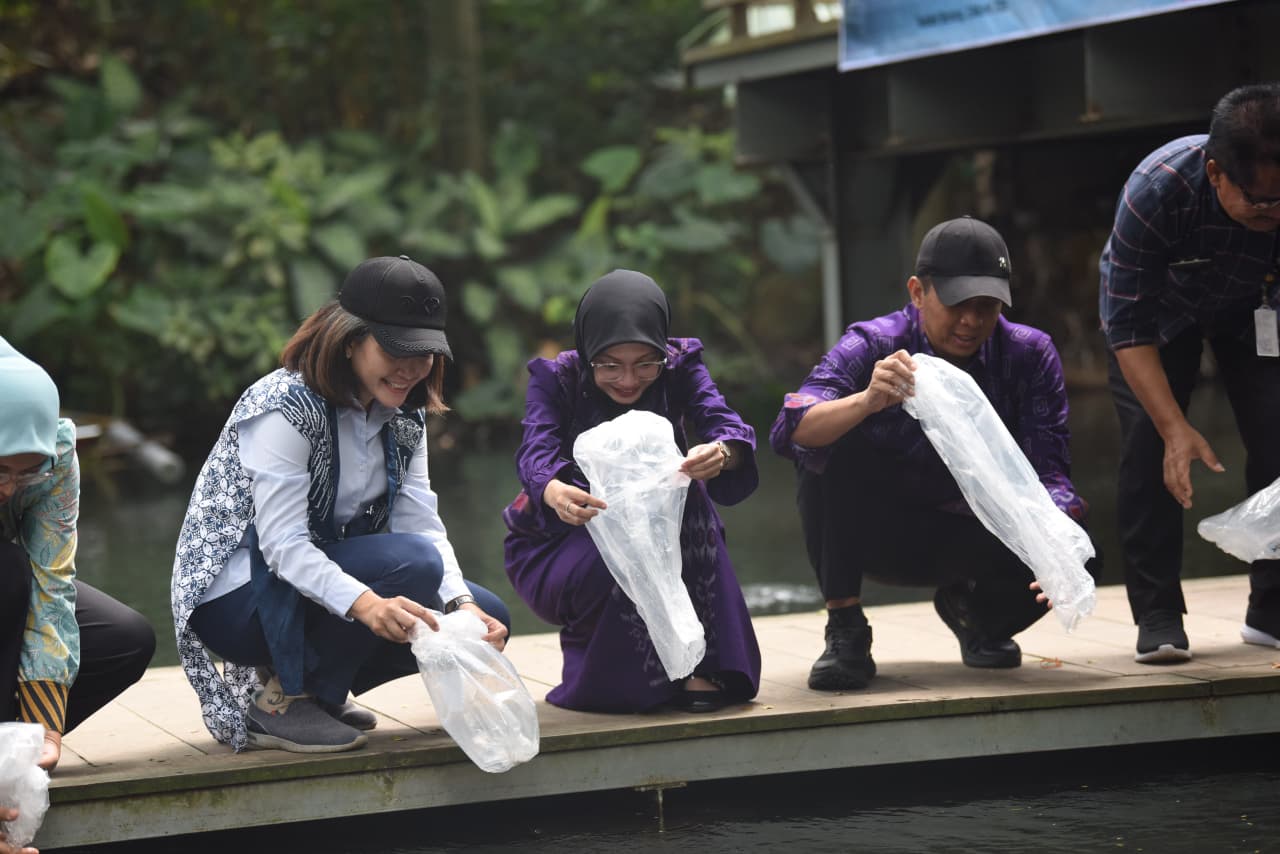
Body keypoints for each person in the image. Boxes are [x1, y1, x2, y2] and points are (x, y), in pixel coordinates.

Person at [171, 255, 511, 754]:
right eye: (397, 350)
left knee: (484, 616)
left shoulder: (403, 416)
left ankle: (321, 691)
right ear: (351, 340)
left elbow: (421, 522)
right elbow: (284, 546)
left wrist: (462, 604)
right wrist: (369, 606)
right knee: (410, 566)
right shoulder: (286, 406)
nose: (412, 369)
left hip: (308, 579)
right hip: (235, 598)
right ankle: (284, 701)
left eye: (426, 354)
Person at [770, 217, 1092, 691]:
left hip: (971, 533)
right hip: (877, 534)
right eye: (958, 305)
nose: (971, 321)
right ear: (918, 292)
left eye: (986, 307)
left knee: (1081, 553)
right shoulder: (874, 344)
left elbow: (1050, 473)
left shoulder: (1029, 353)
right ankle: (846, 630)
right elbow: (789, 431)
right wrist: (866, 401)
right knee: (827, 452)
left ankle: (976, 617)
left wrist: (1057, 547)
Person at [502, 269, 762, 713]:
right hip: (566, 536)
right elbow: (535, 452)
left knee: (690, 492)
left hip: (662, 527)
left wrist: (720, 452)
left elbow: (725, 424)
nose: (628, 380)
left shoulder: (680, 365)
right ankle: (624, 679)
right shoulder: (555, 379)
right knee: (619, 540)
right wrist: (554, 491)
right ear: (587, 355)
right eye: (610, 366)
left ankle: (701, 665)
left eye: (645, 364)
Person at [1099, 83, 1280, 663]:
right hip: (1159, 317)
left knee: (1277, 436)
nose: (1273, 212)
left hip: (1258, 307)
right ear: (1215, 172)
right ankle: (1158, 612)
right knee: (1152, 443)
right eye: (1258, 201)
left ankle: (1272, 607)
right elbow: (1127, 328)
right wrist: (1177, 426)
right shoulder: (1156, 191)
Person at [1, 336, 156, 770]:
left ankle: (17, 741)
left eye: (26, 473)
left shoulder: (56, 454)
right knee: (7, 572)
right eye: (0, 469)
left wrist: (45, 726)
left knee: (124, 638)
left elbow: (50, 584)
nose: (10, 489)